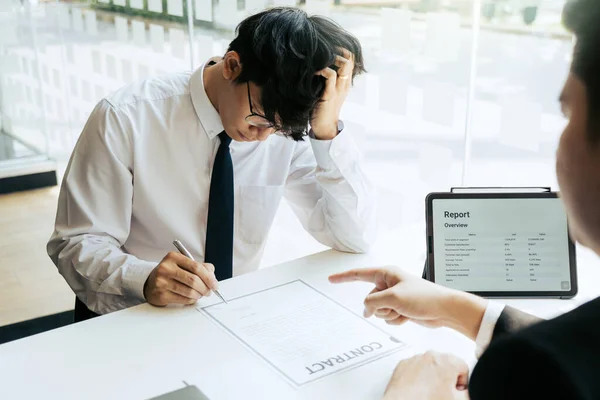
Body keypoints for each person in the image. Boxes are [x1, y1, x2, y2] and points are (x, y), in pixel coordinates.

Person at [330, 0, 600, 398]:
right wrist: (456, 308)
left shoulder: (527, 371)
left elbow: (556, 361)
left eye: (568, 113)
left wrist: (410, 394)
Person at [48, 7, 376, 319]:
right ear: (232, 66)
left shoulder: (282, 127)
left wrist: (326, 131)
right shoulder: (126, 117)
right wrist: (143, 278)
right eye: (260, 120)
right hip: (134, 313)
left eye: (279, 128)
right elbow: (76, 243)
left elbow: (352, 238)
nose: (265, 138)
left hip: (232, 315)